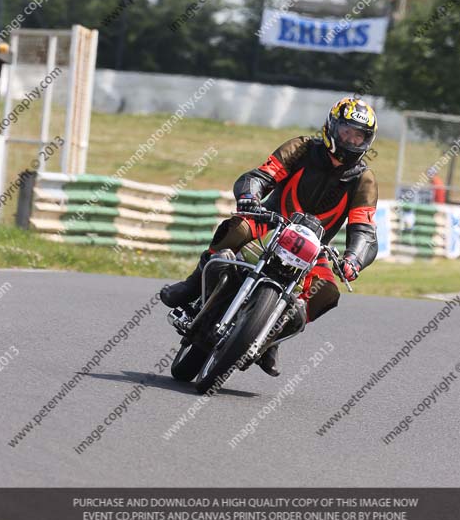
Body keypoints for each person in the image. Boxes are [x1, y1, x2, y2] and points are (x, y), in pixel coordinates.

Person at [161, 96, 379, 377]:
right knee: (236, 228)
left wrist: (354, 260)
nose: (351, 140)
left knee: (327, 291)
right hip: (270, 223)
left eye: (359, 136)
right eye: (347, 131)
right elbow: (261, 175)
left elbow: (365, 229)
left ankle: (271, 337)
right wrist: (250, 196)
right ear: (332, 127)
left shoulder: (364, 179)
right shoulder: (302, 148)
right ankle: (192, 285)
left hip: (313, 248)